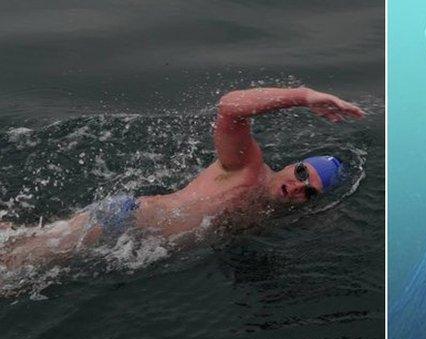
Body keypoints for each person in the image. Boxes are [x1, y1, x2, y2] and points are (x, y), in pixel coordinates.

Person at [0, 87, 363, 269]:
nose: (297, 186)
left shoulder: (272, 217)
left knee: (18, 244)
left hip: (136, 248)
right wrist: (301, 96)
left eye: (309, 192)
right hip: (124, 222)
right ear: (291, 165)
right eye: (301, 173)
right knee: (13, 273)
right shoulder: (248, 169)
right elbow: (230, 108)